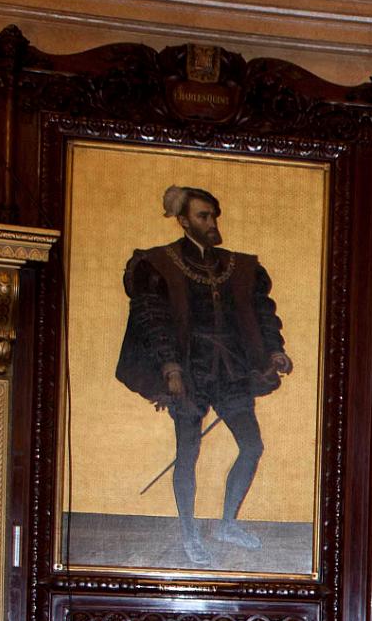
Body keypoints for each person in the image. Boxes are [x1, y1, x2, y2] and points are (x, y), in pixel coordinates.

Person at [116, 186, 292, 566]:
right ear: (183, 221)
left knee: (252, 446)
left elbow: (259, 311)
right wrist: (170, 368)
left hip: (230, 369)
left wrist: (274, 348)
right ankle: (189, 534)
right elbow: (153, 319)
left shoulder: (238, 267)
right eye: (202, 216)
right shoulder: (158, 264)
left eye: (213, 215)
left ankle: (227, 523)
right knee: (188, 455)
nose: (211, 223)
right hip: (188, 373)